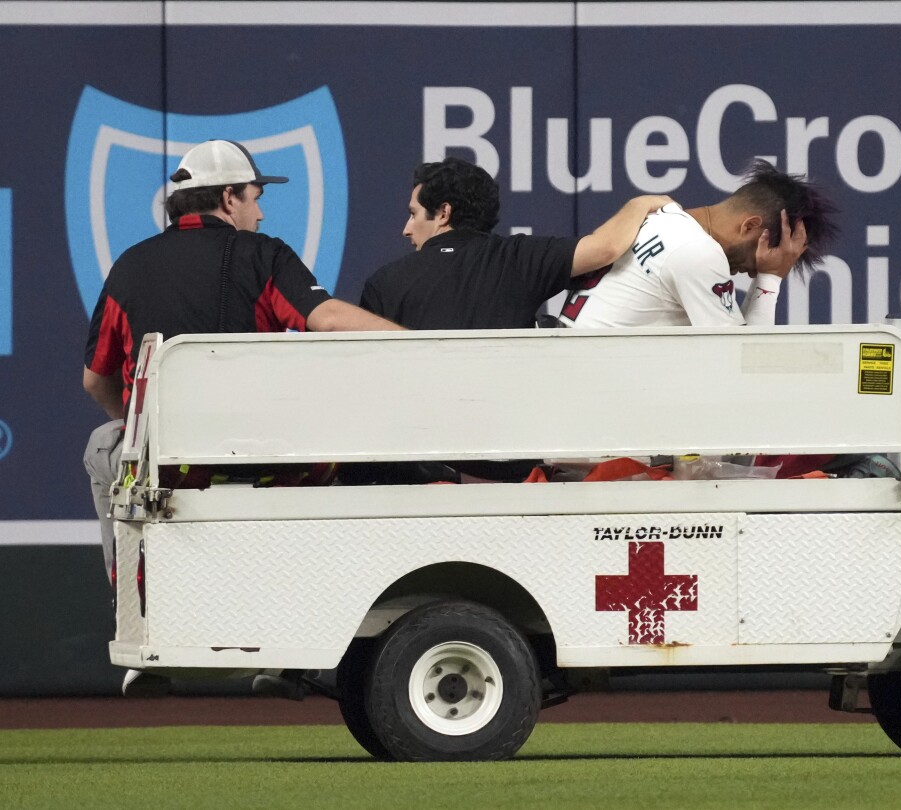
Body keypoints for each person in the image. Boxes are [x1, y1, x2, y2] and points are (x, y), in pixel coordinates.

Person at [82, 140, 402, 578]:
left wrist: (144, 429)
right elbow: (326, 319)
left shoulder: (129, 265)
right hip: (255, 456)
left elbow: (95, 381)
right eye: (256, 198)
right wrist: (418, 341)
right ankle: (313, 574)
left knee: (103, 444)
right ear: (229, 197)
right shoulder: (261, 253)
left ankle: (129, 588)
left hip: (163, 465)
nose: (261, 214)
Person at [359, 157, 675, 329]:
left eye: (414, 214)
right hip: (510, 443)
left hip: (419, 443)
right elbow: (605, 248)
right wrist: (639, 204)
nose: (406, 229)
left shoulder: (383, 283)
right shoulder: (517, 258)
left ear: (443, 213)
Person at [558, 159, 837, 328]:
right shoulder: (698, 251)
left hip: (575, 375)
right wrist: (771, 278)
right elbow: (742, 364)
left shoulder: (658, 218)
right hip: (588, 394)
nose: (751, 271)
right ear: (749, 226)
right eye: (757, 258)